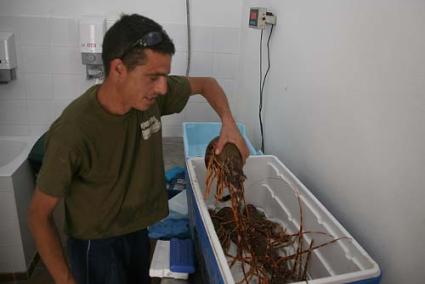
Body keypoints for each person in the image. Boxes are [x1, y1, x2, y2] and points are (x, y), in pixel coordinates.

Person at [28, 13, 249, 284]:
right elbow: (38, 215)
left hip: (137, 230)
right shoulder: (73, 131)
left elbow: (207, 84)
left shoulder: (151, 98)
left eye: (165, 76)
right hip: (97, 244)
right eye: (153, 77)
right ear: (118, 69)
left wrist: (229, 123)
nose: (163, 87)